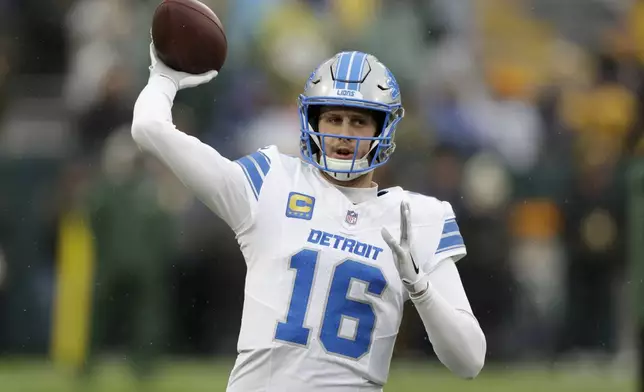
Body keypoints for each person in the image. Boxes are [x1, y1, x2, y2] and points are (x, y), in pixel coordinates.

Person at [131, 45, 486, 391]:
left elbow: (469, 361)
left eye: (359, 121)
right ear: (311, 120)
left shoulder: (415, 218)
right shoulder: (271, 181)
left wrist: (420, 288)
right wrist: (164, 77)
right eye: (333, 118)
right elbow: (149, 128)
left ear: (383, 130)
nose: (343, 134)